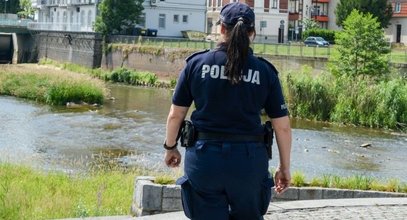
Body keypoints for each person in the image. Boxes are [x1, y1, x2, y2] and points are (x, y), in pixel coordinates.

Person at [163, 2, 291, 219]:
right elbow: (283, 127)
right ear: (253, 33)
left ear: (221, 29)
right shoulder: (265, 71)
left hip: (205, 160)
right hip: (249, 163)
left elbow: (176, 114)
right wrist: (284, 167)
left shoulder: (196, 64)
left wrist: (170, 147)